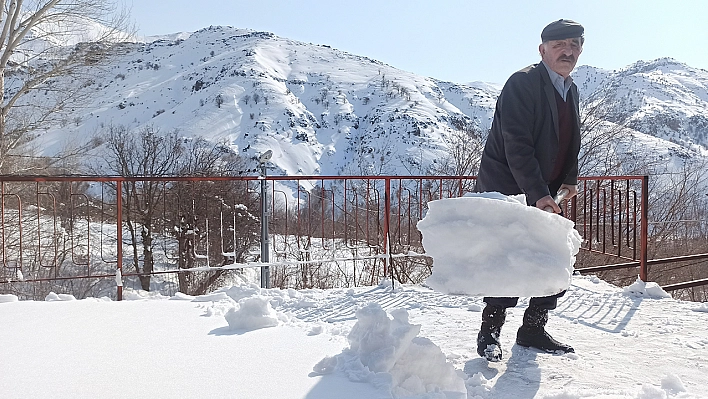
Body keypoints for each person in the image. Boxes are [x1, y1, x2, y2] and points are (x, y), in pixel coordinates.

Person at [474, 19, 584, 362]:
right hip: (509, 190)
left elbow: (570, 142)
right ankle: (489, 334)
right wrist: (537, 193)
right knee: (508, 262)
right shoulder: (522, 83)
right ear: (543, 50)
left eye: (574, 44)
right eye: (559, 45)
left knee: (554, 259)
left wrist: (569, 178)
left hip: (546, 191)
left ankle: (533, 329)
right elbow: (516, 145)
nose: (567, 51)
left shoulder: (570, 88)